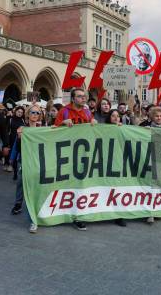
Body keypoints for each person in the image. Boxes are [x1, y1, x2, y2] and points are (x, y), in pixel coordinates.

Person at [54, 87, 96, 230]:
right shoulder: (64, 111)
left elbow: (94, 131)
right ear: (72, 98)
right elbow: (53, 131)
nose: (83, 99)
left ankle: (78, 215)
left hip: (83, 155)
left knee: (80, 185)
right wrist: (62, 123)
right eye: (79, 96)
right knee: (67, 184)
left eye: (84, 96)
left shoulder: (87, 112)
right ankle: (63, 212)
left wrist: (94, 124)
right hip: (67, 154)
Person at [10, 104, 44, 233]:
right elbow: (18, 148)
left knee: (34, 189)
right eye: (33, 112)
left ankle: (34, 218)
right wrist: (19, 138)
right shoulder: (22, 129)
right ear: (28, 115)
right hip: (25, 161)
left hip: (39, 163)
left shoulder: (42, 129)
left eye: (37, 113)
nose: (35, 115)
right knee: (22, 183)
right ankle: (18, 203)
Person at [7, 106, 26, 174]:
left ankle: (16, 171)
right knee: (13, 154)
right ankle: (11, 166)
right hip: (12, 139)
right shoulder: (11, 119)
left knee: (18, 155)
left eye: (21, 112)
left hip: (20, 140)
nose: (20, 113)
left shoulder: (23, 120)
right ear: (16, 112)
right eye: (18, 112)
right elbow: (7, 130)